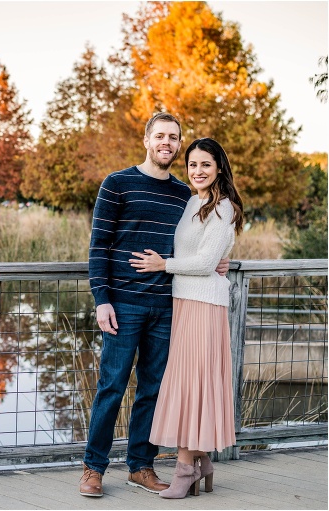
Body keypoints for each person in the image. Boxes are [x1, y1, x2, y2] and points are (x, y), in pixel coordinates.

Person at [80, 113, 229, 498]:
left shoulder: (185, 194)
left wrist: (220, 260)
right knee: (111, 386)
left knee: (153, 388)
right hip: (123, 305)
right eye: (160, 135)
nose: (167, 142)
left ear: (179, 144)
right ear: (146, 139)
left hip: (167, 306)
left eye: (174, 137)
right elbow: (98, 247)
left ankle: (141, 466)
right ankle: (93, 468)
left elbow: (201, 240)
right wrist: (102, 300)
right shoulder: (117, 183)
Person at [129, 137, 244, 498]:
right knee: (187, 381)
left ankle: (183, 470)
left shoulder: (223, 207)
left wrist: (165, 265)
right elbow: (202, 255)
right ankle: (201, 461)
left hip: (205, 306)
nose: (198, 171)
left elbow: (207, 263)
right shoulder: (193, 201)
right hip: (183, 301)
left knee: (192, 384)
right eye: (192, 164)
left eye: (206, 165)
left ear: (219, 168)